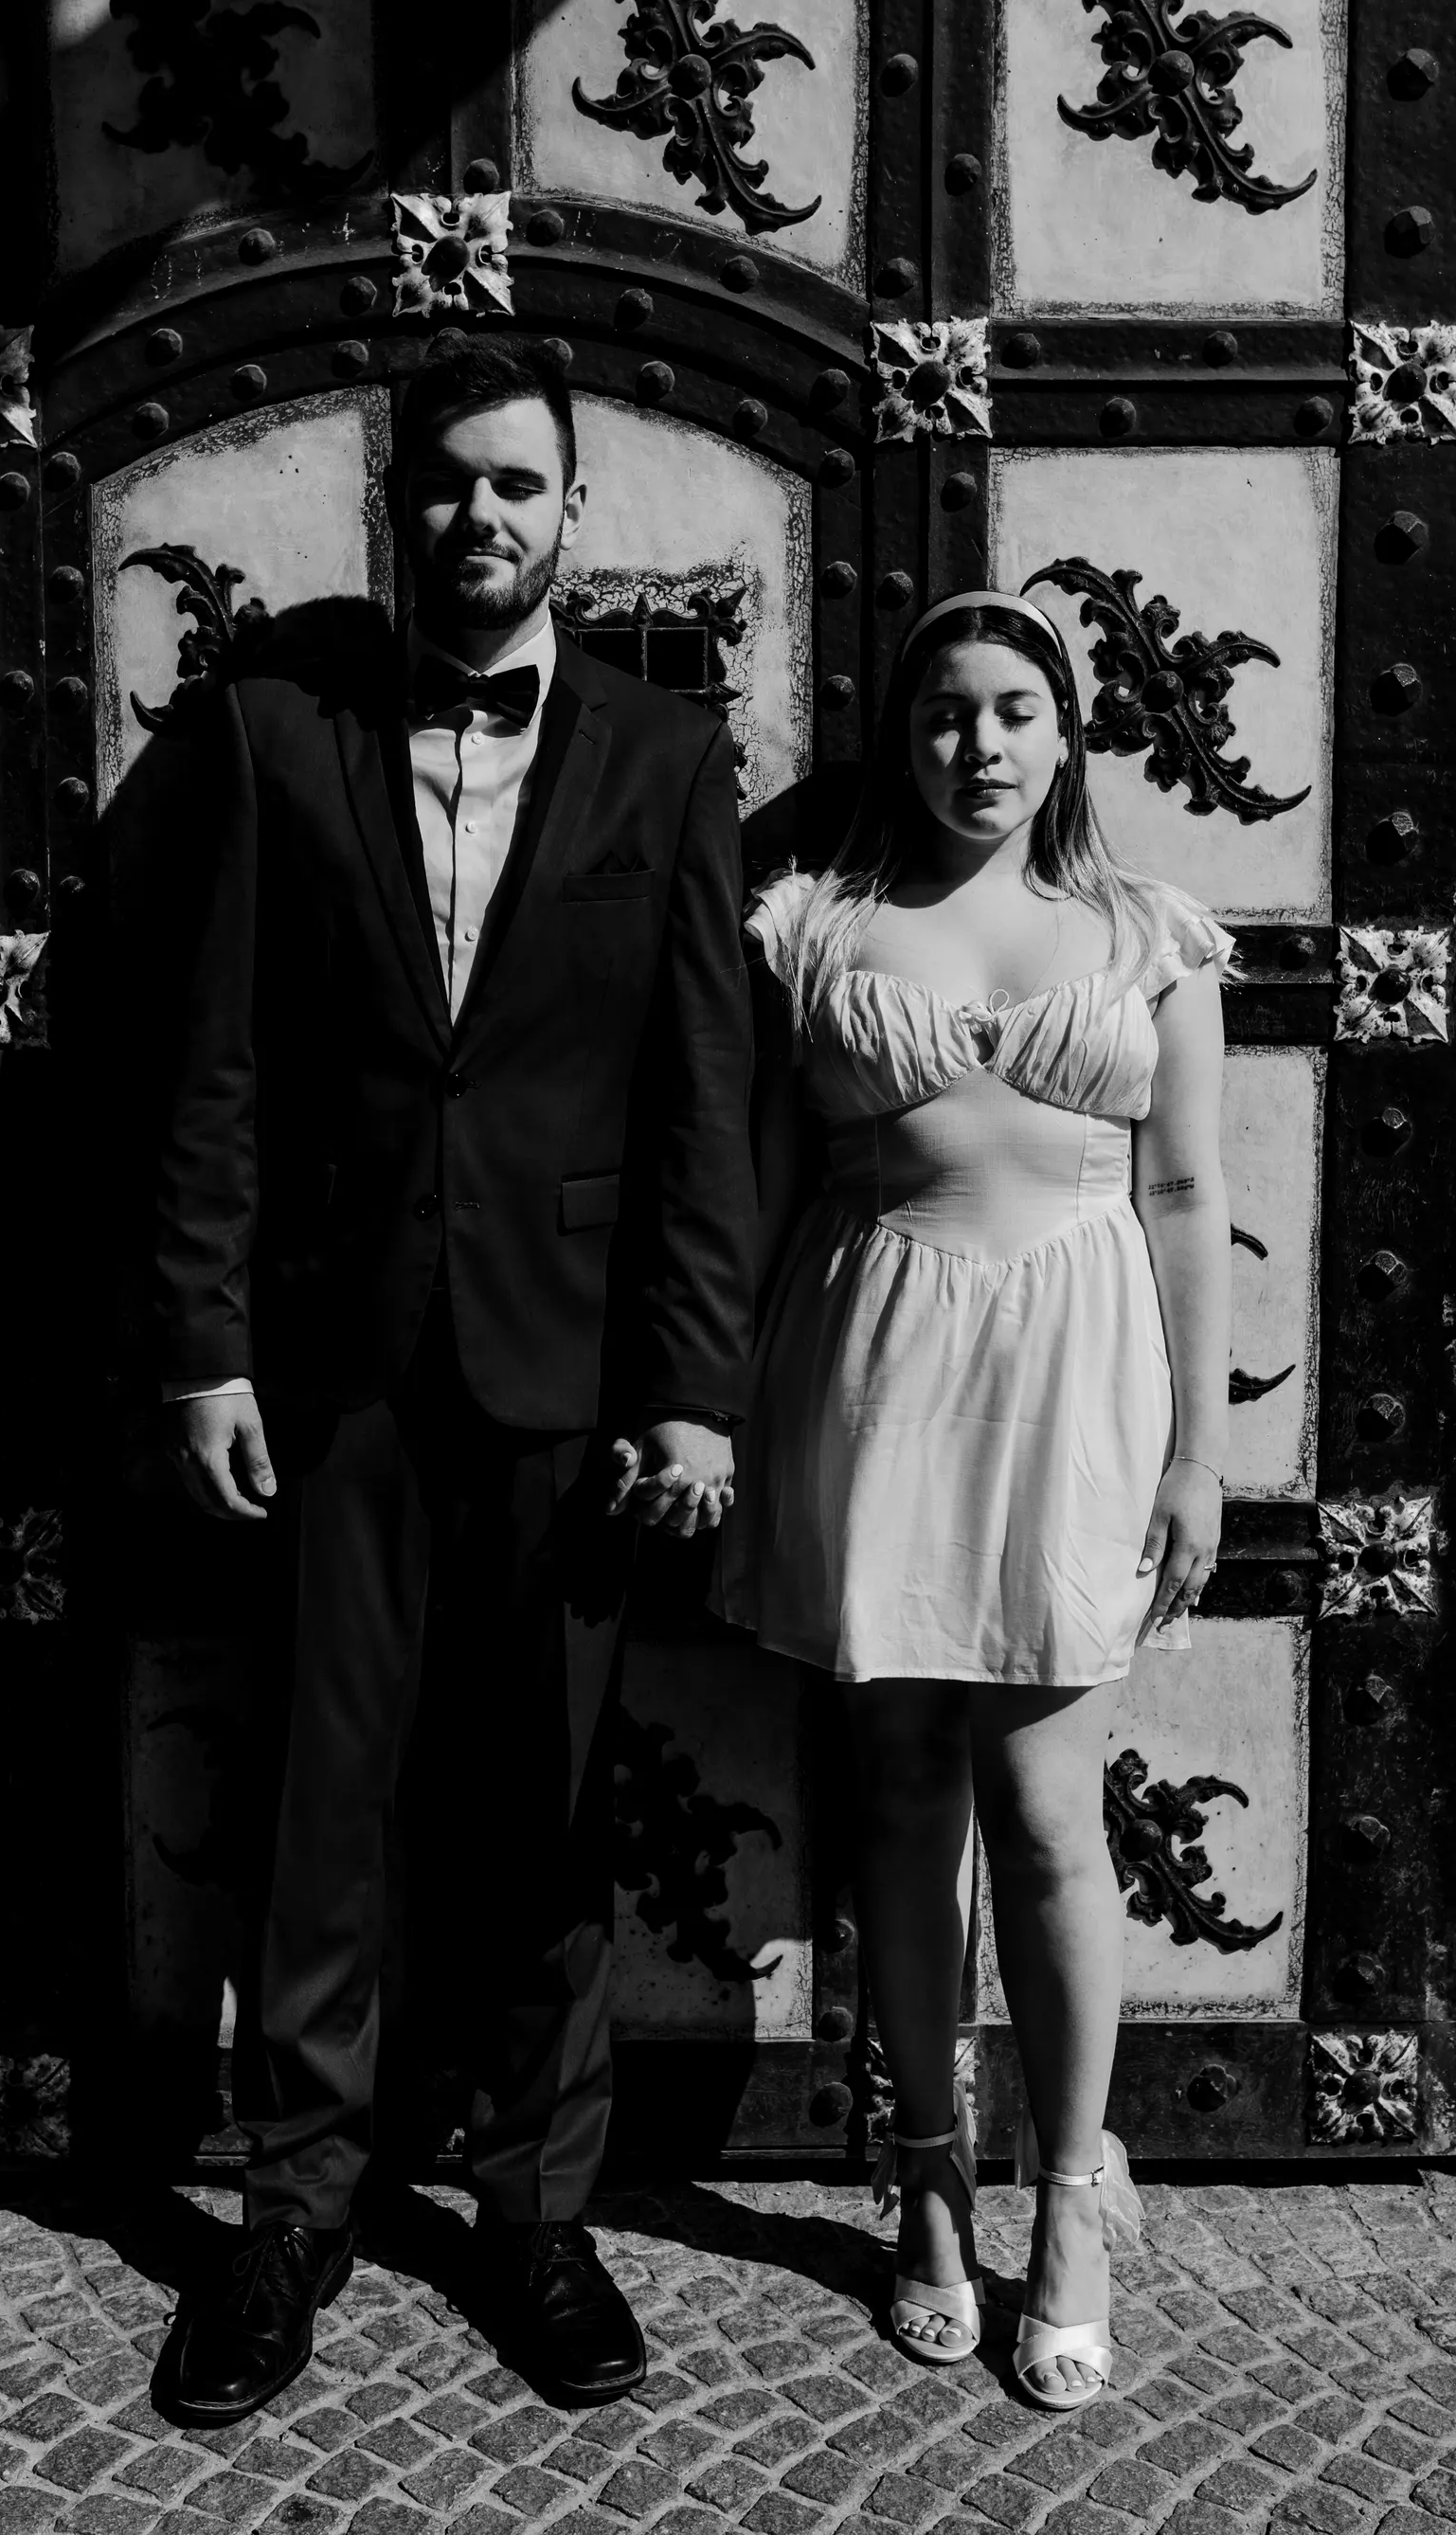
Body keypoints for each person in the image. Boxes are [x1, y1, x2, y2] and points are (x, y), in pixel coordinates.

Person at [151, 333, 754, 2424]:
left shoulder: (669, 764)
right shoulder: (265, 741)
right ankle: (294, 2213)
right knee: (324, 1811)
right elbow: (211, 1070)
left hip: (570, 1378)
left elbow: (704, 1098)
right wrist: (206, 1347)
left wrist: (693, 1389)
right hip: (333, 1374)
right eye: (443, 486)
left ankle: (531, 2211)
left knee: (538, 1811)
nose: (478, 520)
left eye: (517, 486)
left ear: (571, 514)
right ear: (390, 508)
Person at [726, 589, 1230, 2411]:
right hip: (877, 1378)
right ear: (903, 732)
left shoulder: (1142, 930)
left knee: (1041, 1808)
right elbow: (771, 1188)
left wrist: (1196, 1454)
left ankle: (1071, 2197)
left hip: (1079, 1387)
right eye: (948, 714)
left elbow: (1184, 1202)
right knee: (904, 1798)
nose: (984, 746)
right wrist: (711, 1415)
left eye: (1019, 710)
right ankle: (928, 2178)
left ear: (1071, 730)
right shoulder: (822, 922)